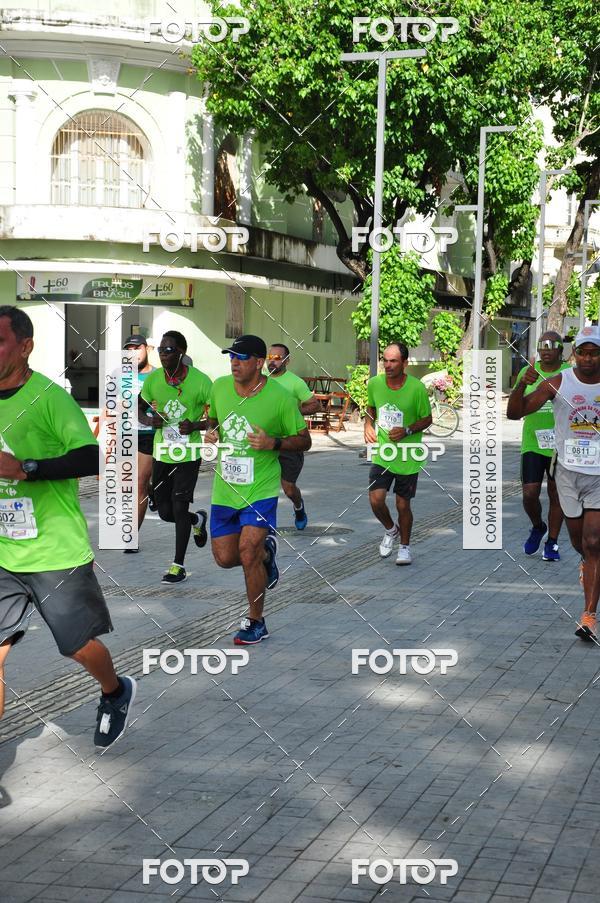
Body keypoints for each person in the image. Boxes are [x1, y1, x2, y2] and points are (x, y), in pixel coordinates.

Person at [0, 306, 135, 747]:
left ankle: (115, 691)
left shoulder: (49, 398)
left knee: (76, 645)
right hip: (3, 554)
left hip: (54, 549)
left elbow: (90, 457)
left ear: (25, 347)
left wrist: (25, 469)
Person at [206, 335, 311, 645]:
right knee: (225, 558)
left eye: (241, 357)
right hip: (225, 490)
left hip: (260, 490)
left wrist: (273, 444)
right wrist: (211, 433)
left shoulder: (280, 398)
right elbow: (214, 421)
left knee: (247, 551)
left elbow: (303, 440)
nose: (234, 363)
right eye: (231, 357)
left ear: (259, 362)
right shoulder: (220, 387)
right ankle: (267, 555)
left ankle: (256, 622)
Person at [507, 325, 600, 641]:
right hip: (567, 472)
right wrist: (522, 385)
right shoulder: (560, 382)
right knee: (580, 543)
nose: (588, 358)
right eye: (584, 352)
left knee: (594, 541)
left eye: (595, 352)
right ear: (575, 355)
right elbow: (514, 413)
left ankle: (588, 616)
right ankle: (585, 565)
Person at [138, 331, 212, 584]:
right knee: (165, 512)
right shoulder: (154, 380)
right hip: (162, 453)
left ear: (181, 352)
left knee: (179, 506)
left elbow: (217, 417)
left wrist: (196, 426)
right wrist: (149, 420)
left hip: (187, 454)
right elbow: (138, 406)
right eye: (160, 350)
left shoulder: (201, 382)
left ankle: (178, 565)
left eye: (168, 350)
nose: (162, 354)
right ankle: (196, 519)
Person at [364, 342, 432, 565]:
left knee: (403, 505)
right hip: (383, 454)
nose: (388, 365)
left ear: (404, 363)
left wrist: (408, 430)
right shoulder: (374, 384)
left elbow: (427, 419)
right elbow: (370, 407)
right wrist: (367, 425)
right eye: (385, 360)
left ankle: (404, 548)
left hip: (408, 455)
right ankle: (390, 529)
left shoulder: (416, 388)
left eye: (393, 361)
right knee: (376, 499)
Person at [514, 331, 570, 560]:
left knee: (557, 495)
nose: (546, 349)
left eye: (551, 345)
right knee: (529, 494)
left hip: (561, 445)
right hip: (533, 443)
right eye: (541, 345)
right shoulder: (528, 372)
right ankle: (538, 526)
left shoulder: (568, 374)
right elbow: (515, 406)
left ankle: (553, 543)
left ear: (560, 349)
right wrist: (520, 386)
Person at [266, 343, 320, 529]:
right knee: (263, 486)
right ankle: (261, 523)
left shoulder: (295, 382)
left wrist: (293, 412)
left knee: (288, 488)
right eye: (270, 358)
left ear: (287, 360)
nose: (272, 362)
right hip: (266, 442)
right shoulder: (260, 380)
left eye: (277, 358)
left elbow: (314, 405)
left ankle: (298, 506)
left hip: (290, 441)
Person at [123, 335, 156, 551]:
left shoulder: (159, 376)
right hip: (125, 434)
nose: (134, 352)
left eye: (138, 348)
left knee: (138, 485)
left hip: (148, 434)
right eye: (130, 349)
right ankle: (154, 492)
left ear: (147, 349)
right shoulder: (121, 375)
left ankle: (131, 537)